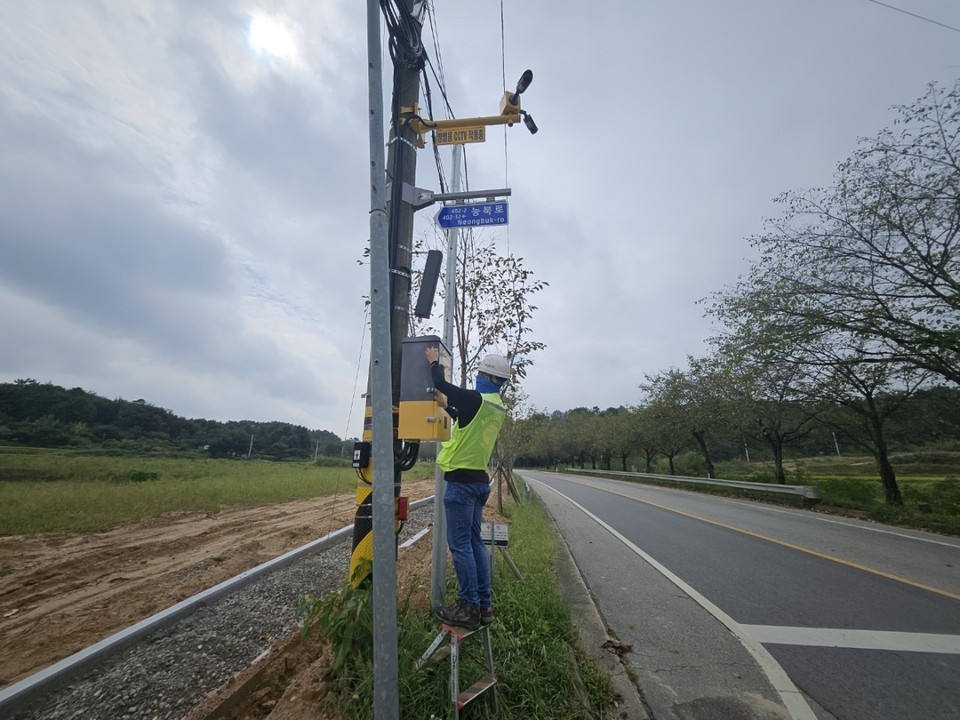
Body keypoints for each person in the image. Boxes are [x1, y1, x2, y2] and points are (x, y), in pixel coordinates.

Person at [425, 346, 510, 630]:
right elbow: (465, 420)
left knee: (460, 545)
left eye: (480, 373)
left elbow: (441, 383)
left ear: (486, 376)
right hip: (478, 483)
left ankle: (467, 607)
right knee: (474, 543)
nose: (477, 377)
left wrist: (434, 362)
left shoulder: (476, 398)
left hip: (461, 484)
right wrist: (445, 405)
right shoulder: (494, 406)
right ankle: (484, 605)